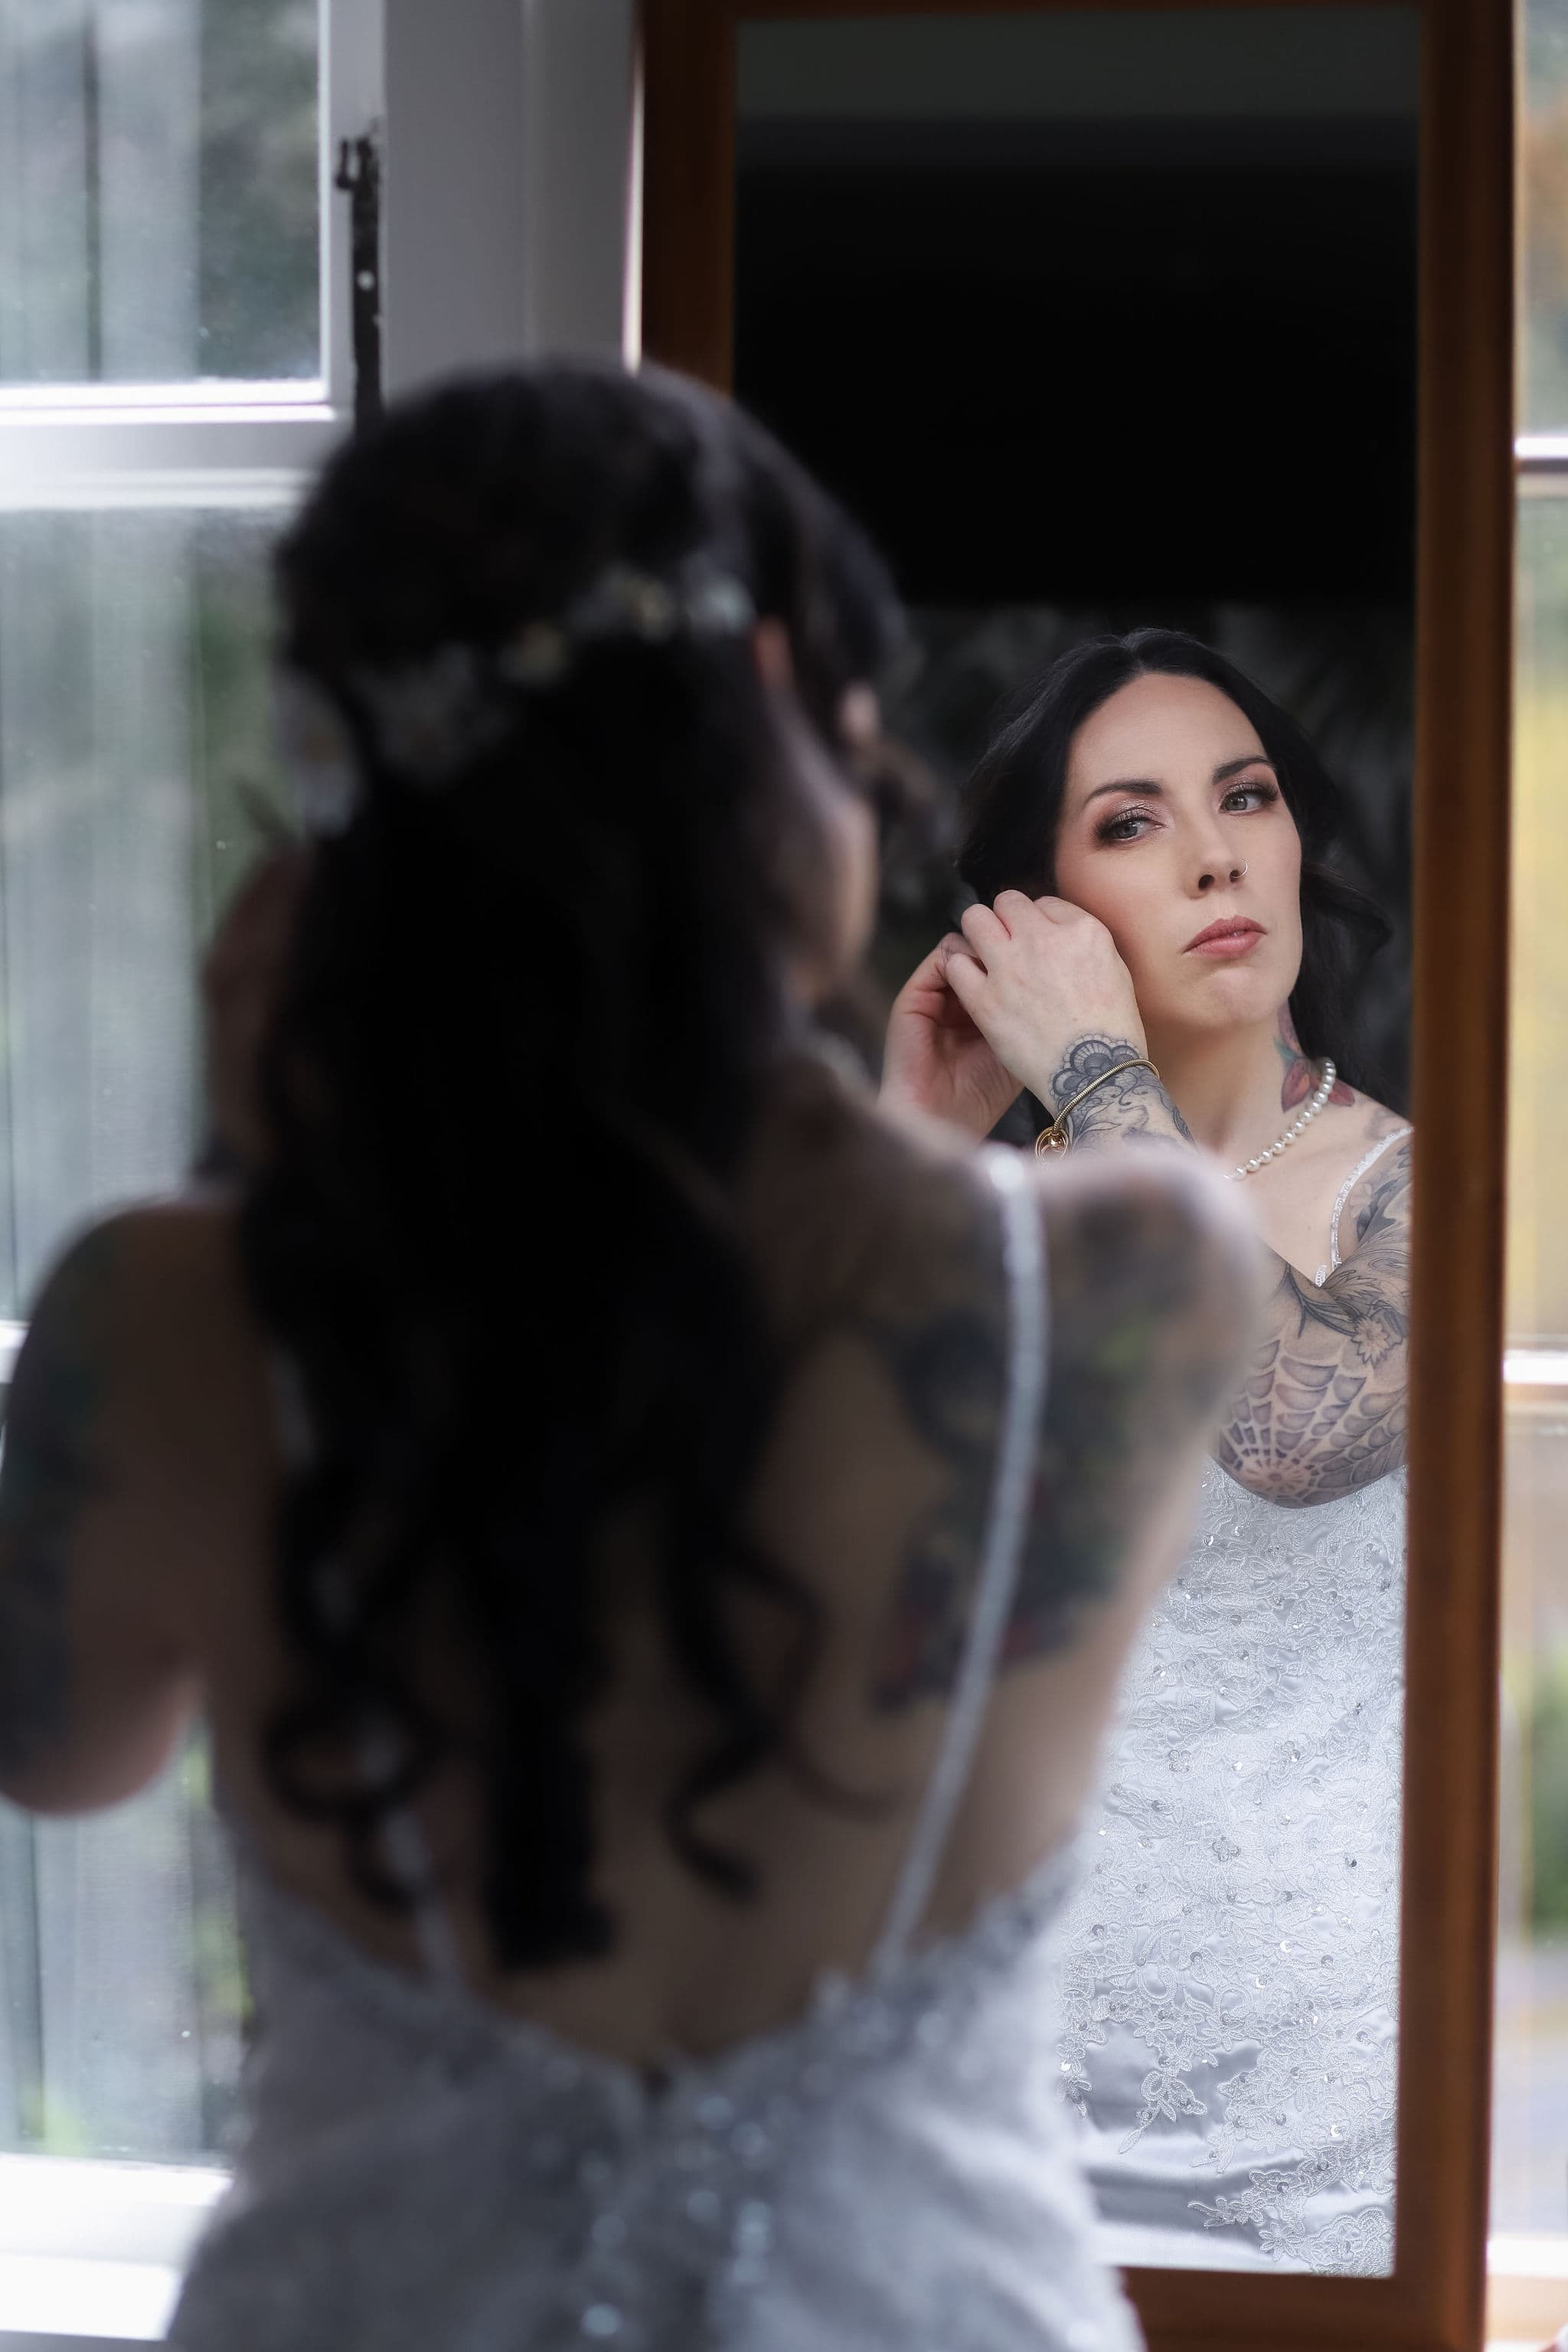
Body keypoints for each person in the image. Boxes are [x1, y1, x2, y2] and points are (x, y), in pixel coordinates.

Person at [0, 373, 1257, 2350]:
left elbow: (56, 1751)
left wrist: (254, 1164)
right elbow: (781, 1367)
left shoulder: (163, 1325)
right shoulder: (1139, 1275)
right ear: (782, 693)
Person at [881, 629, 1410, 2277]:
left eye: (1243, 796)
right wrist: (904, 1148)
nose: (1211, 852)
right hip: (975, 2080)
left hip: (1311, 2106)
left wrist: (1099, 1077)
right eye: (1129, 822)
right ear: (1036, 922)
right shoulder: (979, 1210)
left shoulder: (1419, 1188)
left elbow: (1279, 1427)